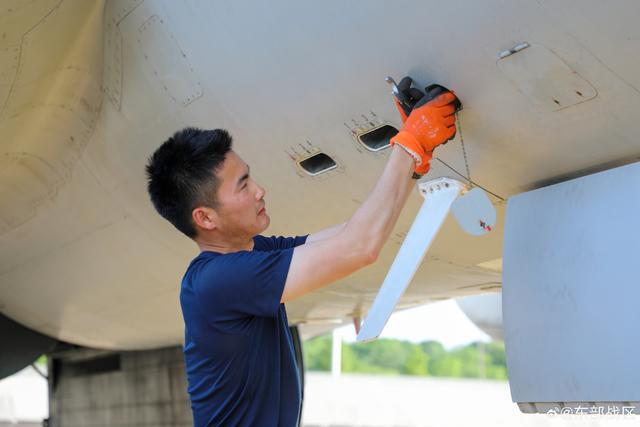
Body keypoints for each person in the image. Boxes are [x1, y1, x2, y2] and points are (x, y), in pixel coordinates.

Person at [145, 81, 458, 427]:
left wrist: (413, 163)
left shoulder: (250, 253)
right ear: (205, 218)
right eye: (243, 184)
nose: (259, 190)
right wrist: (409, 145)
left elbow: (348, 235)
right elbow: (359, 247)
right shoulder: (219, 281)